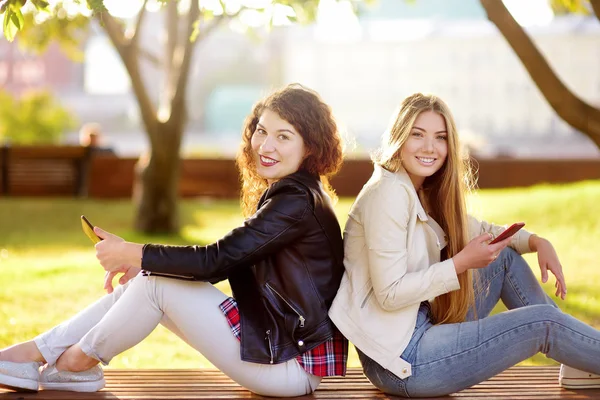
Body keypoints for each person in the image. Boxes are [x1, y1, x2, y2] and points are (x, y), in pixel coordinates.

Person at [0, 84, 348, 396]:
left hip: (289, 365)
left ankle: (72, 362)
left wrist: (133, 253)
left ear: (309, 148)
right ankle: (44, 354)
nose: (266, 145)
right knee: (150, 281)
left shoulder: (295, 201)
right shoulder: (298, 193)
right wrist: (142, 262)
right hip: (278, 348)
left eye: (283, 137)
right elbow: (223, 262)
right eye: (261, 131)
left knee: (154, 285)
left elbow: (218, 258)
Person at [328, 93, 600, 398]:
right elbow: (390, 294)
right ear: (399, 137)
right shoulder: (387, 194)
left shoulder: (420, 189)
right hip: (403, 360)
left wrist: (536, 242)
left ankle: (581, 361)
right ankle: (582, 355)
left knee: (503, 259)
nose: (430, 147)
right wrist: (460, 264)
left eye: (440, 137)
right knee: (544, 323)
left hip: (418, 329)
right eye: (417, 134)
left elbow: (483, 231)